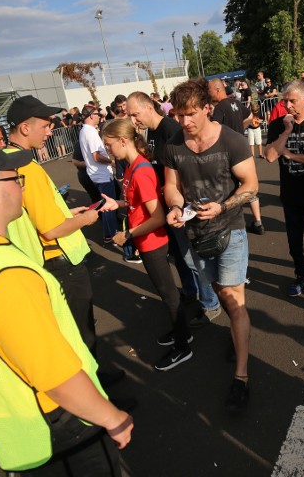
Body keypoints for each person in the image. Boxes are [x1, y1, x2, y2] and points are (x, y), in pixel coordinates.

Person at [0, 144, 132, 474]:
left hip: (17, 424)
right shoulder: (6, 274)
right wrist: (112, 417)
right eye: (16, 179)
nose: (22, 186)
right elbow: (54, 375)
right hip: (60, 424)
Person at [3, 96, 128, 391]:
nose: (50, 131)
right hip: (60, 261)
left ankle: (94, 377)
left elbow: (35, 214)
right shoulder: (27, 169)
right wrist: (87, 219)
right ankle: (94, 394)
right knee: (79, 332)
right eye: (46, 126)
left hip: (39, 259)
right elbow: (51, 229)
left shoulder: (5, 162)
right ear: (24, 128)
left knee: (73, 330)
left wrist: (68, 211)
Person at [162, 78, 258, 412]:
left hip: (229, 229)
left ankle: (241, 377)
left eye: (190, 114)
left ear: (207, 108)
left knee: (234, 301)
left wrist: (224, 205)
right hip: (195, 237)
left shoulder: (231, 141)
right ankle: (237, 332)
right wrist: (176, 207)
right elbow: (171, 187)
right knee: (220, 294)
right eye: (179, 115)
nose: (184, 122)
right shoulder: (174, 145)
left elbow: (251, 185)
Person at [99, 119, 193, 371]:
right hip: (146, 239)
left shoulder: (140, 170)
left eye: (109, 145)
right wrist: (115, 204)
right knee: (168, 294)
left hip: (152, 241)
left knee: (169, 295)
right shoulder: (131, 167)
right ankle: (181, 332)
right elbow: (135, 204)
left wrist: (127, 235)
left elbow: (158, 216)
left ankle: (183, 346)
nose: (108, 150)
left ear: (123, 140)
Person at [125, 91, 221, 327]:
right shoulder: (153, 133)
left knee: (195, 259)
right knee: (183, 258)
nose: (133, 119)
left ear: (149, 107)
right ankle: (194, 295)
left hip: (184, 206)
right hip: (170, 205)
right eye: (129, 115)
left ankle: (210, 304)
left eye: (135, 114)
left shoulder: (170, 129)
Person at [264, 80, 304, 297]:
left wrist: (292, 156)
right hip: (291, 193)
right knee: (294, 241)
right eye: (285, 101)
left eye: (292, 101)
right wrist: (287, 131)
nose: (288, 105)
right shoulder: (278, 125)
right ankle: (302, 275)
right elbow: (271, 156)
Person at [208, 78, 265, 235]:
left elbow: (214, 127)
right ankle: (258, 222)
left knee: (231, 186)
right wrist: (241, 129)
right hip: (242, 147)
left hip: (227, 152)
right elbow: (249, 117)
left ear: (218, 90)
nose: (208, 93)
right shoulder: (236, 103)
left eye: (210, 90)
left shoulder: (220, 108)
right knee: (249, 184)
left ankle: (232, 223)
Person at [77, 104, 119, 244]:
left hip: (96, 174)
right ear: (91, 115)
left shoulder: (85, 131)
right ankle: (111, 234)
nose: (100, 117)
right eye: (98, 114)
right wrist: (112, 162)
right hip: (101, 175)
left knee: (106, 204)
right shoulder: (90, 132)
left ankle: (110, 232)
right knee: (108, 206)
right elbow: (96, 156)